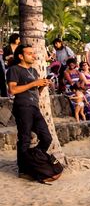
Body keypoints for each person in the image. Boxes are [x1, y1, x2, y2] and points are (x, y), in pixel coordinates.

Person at [6, 44, 55, 175]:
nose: (33, 56)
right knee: (25, 138)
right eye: (29, 53)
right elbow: (12, 90)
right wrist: (34, 83)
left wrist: (42, 85)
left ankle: (33, 159)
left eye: (33, 53)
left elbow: (35, 92)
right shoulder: (14, 69)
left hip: (34, 106)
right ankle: (23, 169)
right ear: (21, 56)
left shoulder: (34, 71)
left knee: (46, 138)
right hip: (22, 107)